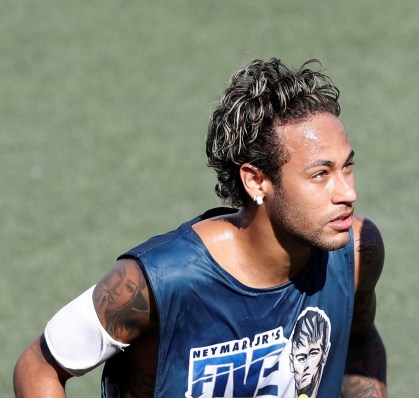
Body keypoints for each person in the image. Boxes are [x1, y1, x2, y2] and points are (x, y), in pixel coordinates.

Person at [13, 57, 387, 398]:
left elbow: (359, 340)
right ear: (256, 181)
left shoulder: (356, 251)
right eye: (321, 174)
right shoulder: (159, 280)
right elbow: (39, 368)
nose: (348, 192)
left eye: (347, 167)